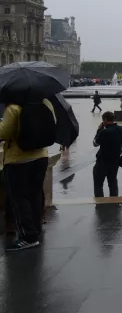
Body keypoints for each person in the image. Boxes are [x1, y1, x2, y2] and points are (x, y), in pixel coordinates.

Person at [0, 98, 56, 251]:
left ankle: (28, 236)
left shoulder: (13, 107)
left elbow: (4, 132)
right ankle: (35, 229)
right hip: (41, 157)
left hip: (18, 159)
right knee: (35, 194)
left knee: (19, 198)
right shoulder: (45, 102)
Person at [92, 111, 122, 198]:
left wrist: (99, 129)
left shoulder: (104, 132)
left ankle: (100, 203)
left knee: (98, 184)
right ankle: (114, 201)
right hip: (115, 160)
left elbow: (95, 143)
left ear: (104, 120)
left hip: (102, 161)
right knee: (112, 182)